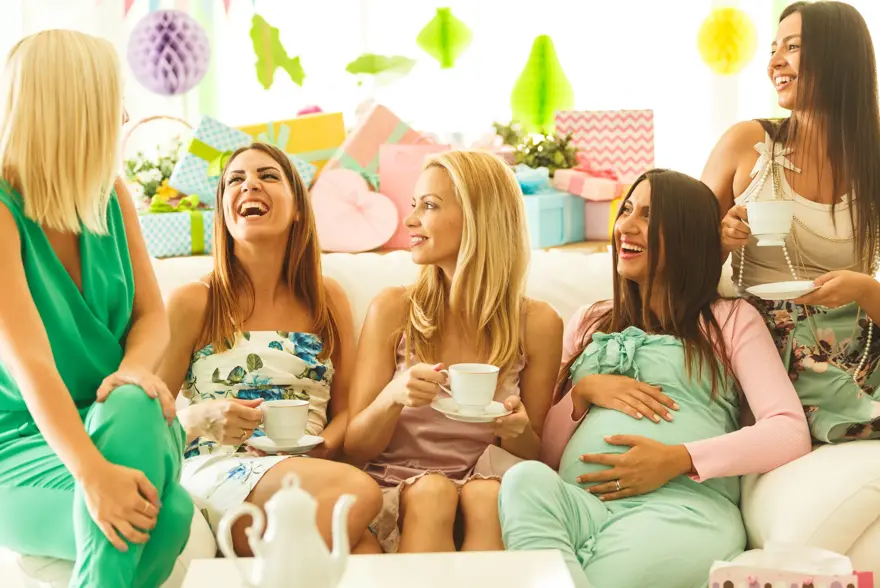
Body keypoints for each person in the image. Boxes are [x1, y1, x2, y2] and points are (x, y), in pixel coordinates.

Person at [498, 170, 811, 588]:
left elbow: (789, 432)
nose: (625, 225)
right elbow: (547, 456)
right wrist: (582, 393)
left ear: (685, 234)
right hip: (580, 505)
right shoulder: (590, 321)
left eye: (647, 215)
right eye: (626, 210)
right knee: (524, 481)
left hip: (678, 509)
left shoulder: (730, 320)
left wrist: (676, 459)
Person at [0, 31, 193, 587]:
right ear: (72, 112)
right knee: (171, 516)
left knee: (131, 402)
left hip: (127, 421)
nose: (125, 115)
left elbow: (152, 318)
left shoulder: (110, 195)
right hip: (26, 443)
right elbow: (31, 365)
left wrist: (133, 371)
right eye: (112, 103)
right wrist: (91, 472)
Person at [158, 142, 383, 555]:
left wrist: (327, 443)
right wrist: (201, 416)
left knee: (367, 549)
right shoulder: (194, 301)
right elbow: (147, 419)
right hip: (218, 467)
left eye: (267, 176)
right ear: (224, 211)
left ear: (298, 207)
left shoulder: (327, 298)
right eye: (235, 180)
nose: (250, 185)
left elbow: (348, 408)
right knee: (359, 492)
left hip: (310, 467)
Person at [344, 150, 563, 554]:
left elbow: (538, 458)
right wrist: (394, 396)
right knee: (433, 493)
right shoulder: (393, 309)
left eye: (428, 206)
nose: (410, 221)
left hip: (487, 485)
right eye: (415, 205)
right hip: (401, 485)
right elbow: (353, 447)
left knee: (484, 497)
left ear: (480, 219)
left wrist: (516, 431)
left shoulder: (538, 323)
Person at [702, 1, 880, 441]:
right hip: (764, 343)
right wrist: (718, 243)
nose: (775, 63)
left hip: (861, 343)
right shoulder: (747, 143)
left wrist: (865, 288)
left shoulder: (873, 161)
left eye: (793, 47)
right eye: (773, 49)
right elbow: (674, 260)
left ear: (838, 58)